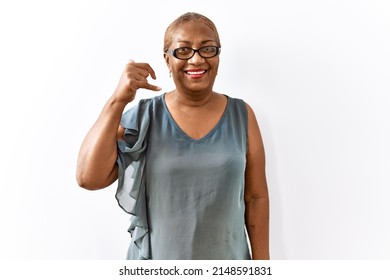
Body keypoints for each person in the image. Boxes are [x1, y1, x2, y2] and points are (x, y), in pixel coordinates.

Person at [76, 12, 269, 260]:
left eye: (208, 49)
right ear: (167, 60)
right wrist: (117, 101)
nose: (197, 59)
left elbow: (255, 197)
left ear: (218, 56)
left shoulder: (242, 115)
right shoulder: (144, 117)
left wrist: (264, 268)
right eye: (183, 51)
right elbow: (88, 178)